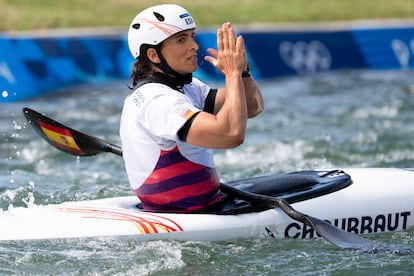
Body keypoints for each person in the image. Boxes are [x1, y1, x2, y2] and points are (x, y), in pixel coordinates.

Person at [120, 4, 264, 213]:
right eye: (181, 39)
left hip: (205, 205)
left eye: (191, 36)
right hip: (185, 214)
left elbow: (251, 107)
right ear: (153, 55)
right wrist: (231, 74)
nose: (194, 46)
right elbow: (231, 134)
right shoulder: (158, 101)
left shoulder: (187, 87)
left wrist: (242, 71)